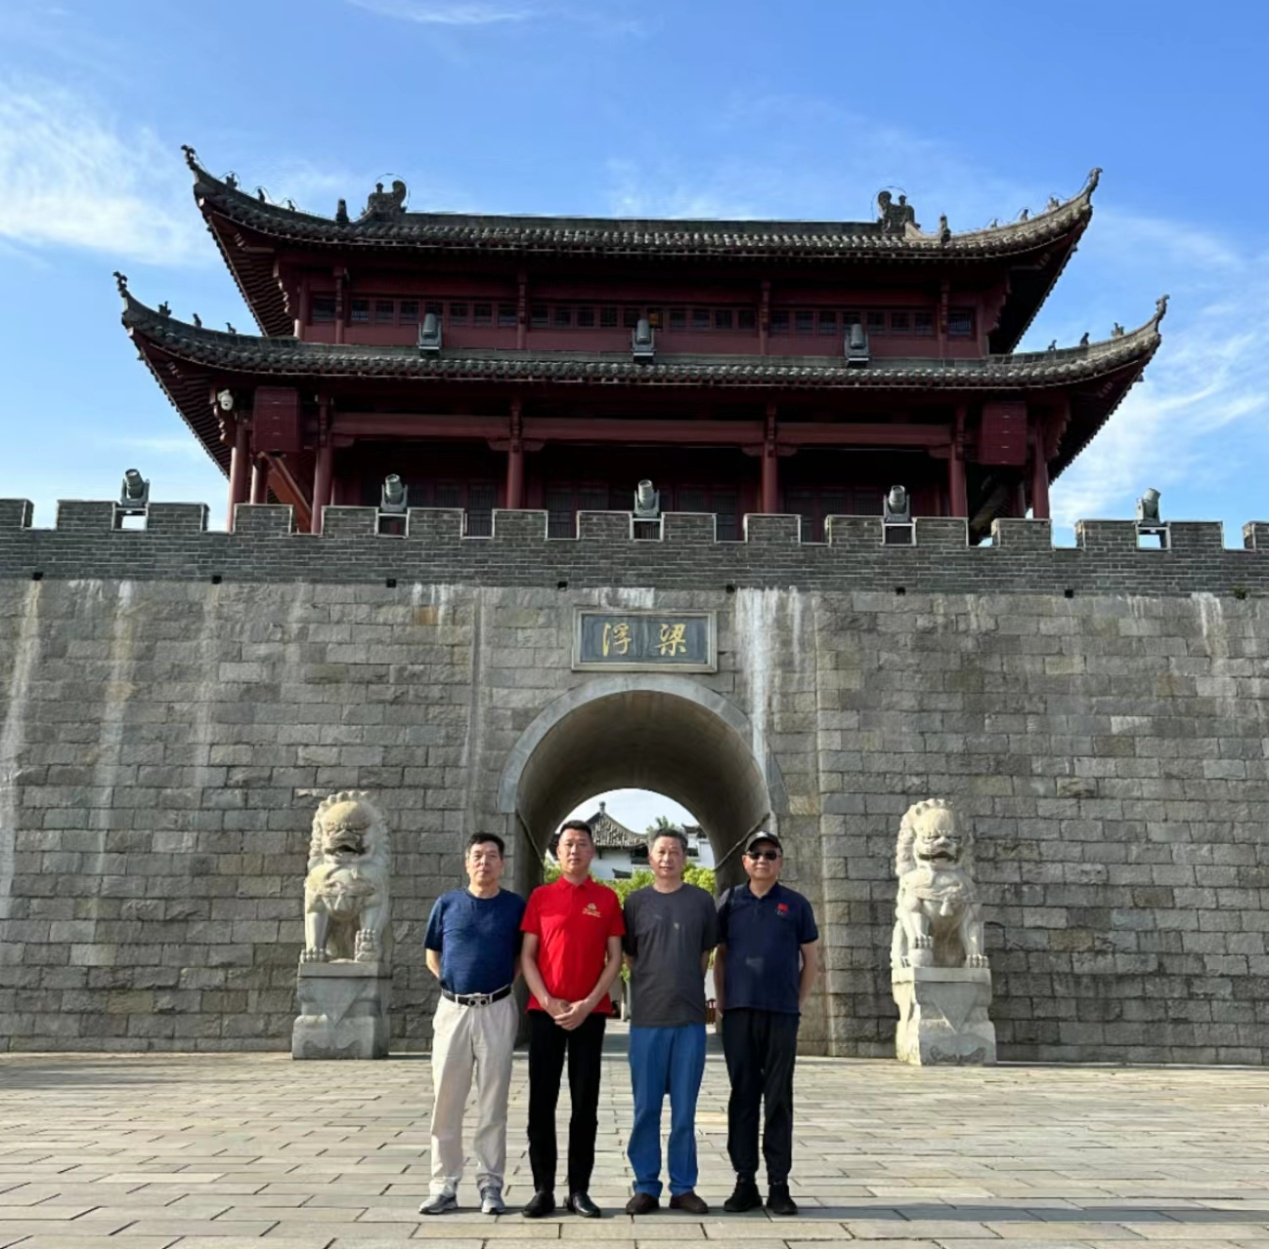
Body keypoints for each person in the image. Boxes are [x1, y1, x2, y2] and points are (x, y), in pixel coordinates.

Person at [520, 819, 625, 1219]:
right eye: (568, 844)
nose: (575, 850)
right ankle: (543, 1188)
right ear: (557, 851)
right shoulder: (541, 896)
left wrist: (588, 1003)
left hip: (589, 1015)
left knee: (585, 1104)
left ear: (592, 851)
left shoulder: (607, 899)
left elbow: (614, 958)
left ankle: (578, 1190)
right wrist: (547, 1001)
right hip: (545, 1013)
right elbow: (528, 956)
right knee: (541, 1102)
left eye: (582, 844)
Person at [714, 831, 820, 1218]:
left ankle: (779, 1184)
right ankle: (745, 1181)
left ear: (780, 862)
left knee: (778, 1098)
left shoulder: (796, 905)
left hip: (781, 1015)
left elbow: (811, 961)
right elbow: (721, 956)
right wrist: (723, 1003)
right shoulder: (730, 902)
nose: (762, 860)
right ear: (744, 861)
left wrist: (796, 1004)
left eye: (770, 854)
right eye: (755, 854)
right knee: (743, 1096)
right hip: (740, 1014)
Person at [419, 832, 525, 1217]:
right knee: (446, 1102)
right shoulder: (447, 904)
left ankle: (490, 1184)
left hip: (497, 1008)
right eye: (477, 855)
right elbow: (432, 953)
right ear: (467, 862)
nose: (484, 862)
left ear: (502, 864)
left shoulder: (515, 907)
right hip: (454, 1010)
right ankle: (443, 1185)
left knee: (493, 1103)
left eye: (492, 855)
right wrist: (450, 983)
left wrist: (502, 987)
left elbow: (522, 956)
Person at [622, 827, 718, 1215]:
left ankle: (683, 1187)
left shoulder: (701, 901)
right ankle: (646, 1185)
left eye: (675, 851)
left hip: (689, 1019)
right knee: (645, 1108)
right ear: (650, 857)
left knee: (684, 1110)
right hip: (648, 1019)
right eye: (660, 851)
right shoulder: (635, 902)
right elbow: (630, 957)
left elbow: (705, 954)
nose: (667, 858)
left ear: (685, 857)